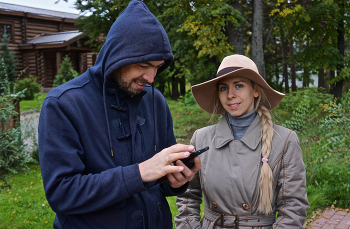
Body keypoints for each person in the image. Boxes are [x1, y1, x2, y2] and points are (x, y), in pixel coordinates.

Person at [38, 1, 201, 228]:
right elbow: (62, 193)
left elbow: (158, 182)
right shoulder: (63, 104)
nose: (151, 77)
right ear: (118, 57)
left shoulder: (155, 101)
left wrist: (176, 180)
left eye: (157, 66)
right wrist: (141, 172)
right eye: (144, 65)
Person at [175, 54, 309, 228]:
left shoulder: (284, 141)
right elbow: (187, 198)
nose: (230, 95)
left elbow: (293, 208)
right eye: (223, 88)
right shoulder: (201, 138)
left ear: (255, 90)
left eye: (238, 86)